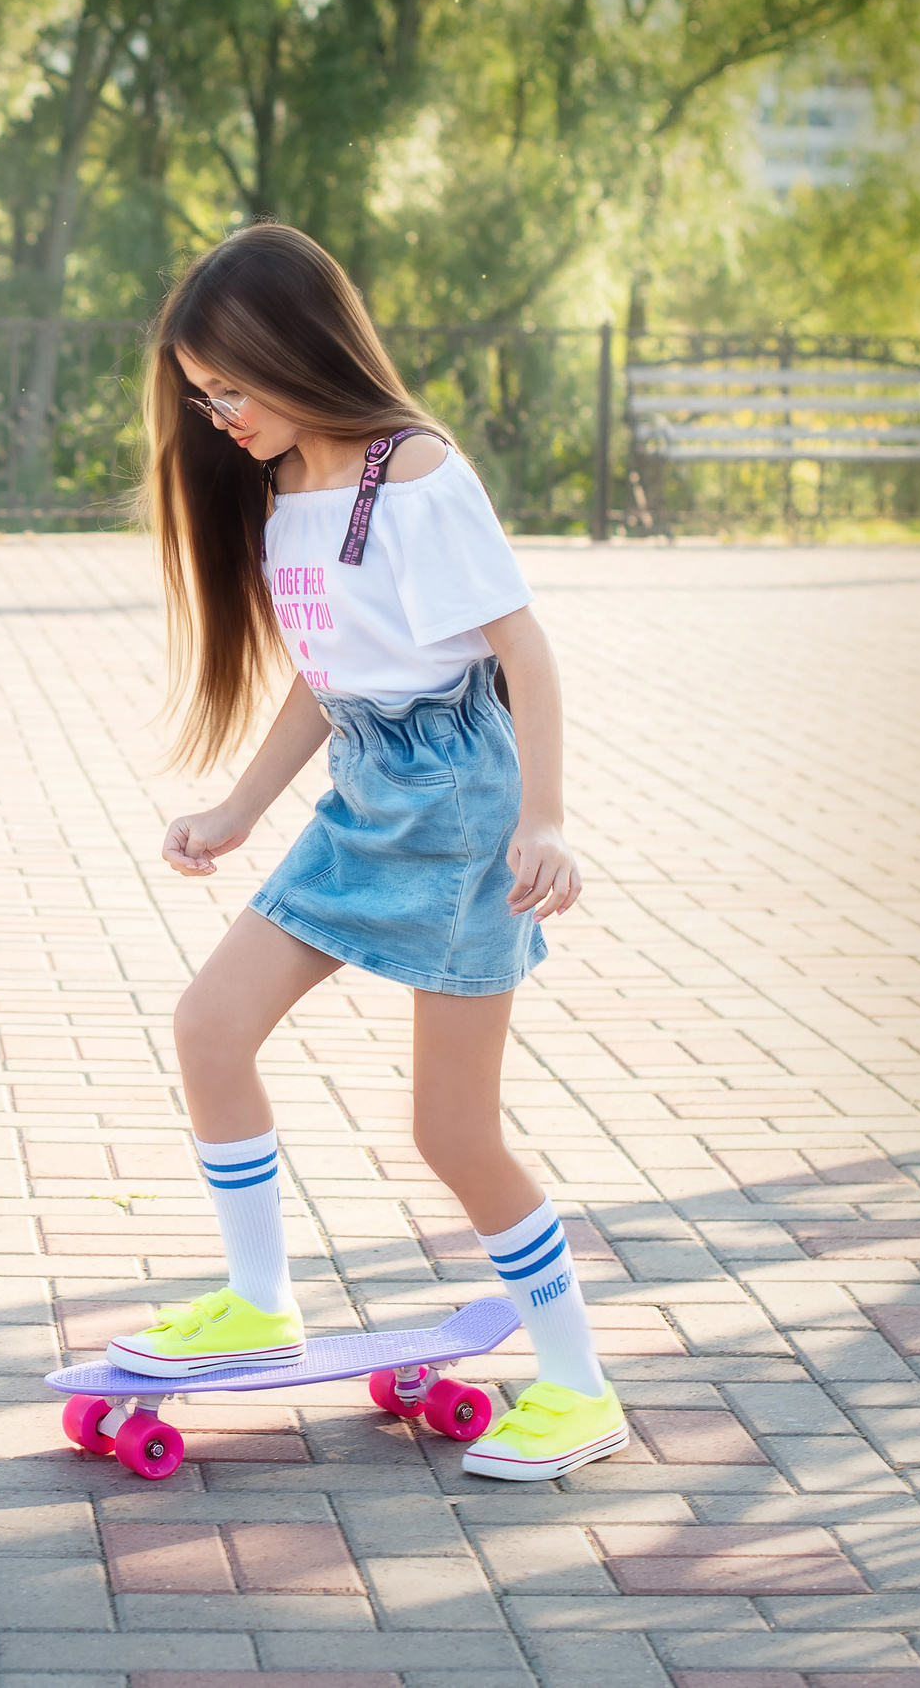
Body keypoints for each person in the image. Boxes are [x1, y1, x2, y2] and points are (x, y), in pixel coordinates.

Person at [109, 222, 622, 1482]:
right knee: (208, 1025)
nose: (217, 415)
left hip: (459, 816)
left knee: (451, 1127)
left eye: (230, 387)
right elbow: (326, 674)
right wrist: (236, 808)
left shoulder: (419, 472)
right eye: (200, 395)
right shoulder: (286, 483)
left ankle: (579, 1385)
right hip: (361, 795)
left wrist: (544, 817)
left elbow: (525, 653)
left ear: (294, 350)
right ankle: (258, 1299)